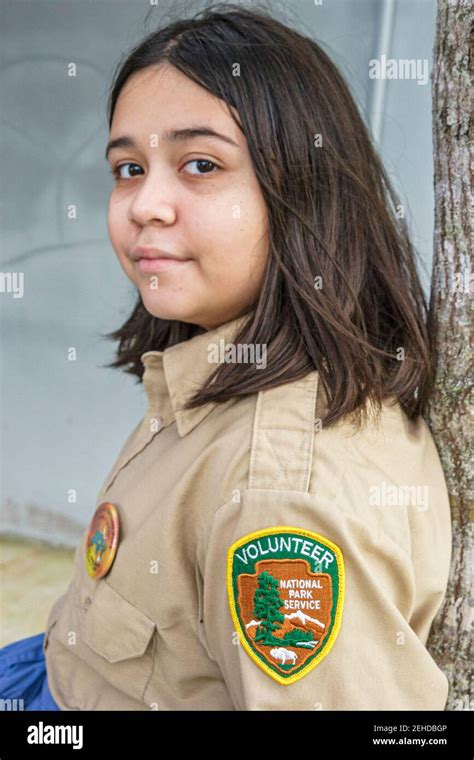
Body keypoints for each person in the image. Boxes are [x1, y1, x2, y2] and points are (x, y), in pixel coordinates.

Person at [2, 3, 452, 711]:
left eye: (201, 164)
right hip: (49, 668)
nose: (144, 203)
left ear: (304, 187)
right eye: (127, 167)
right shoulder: (209, 355)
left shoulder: (281, 501)